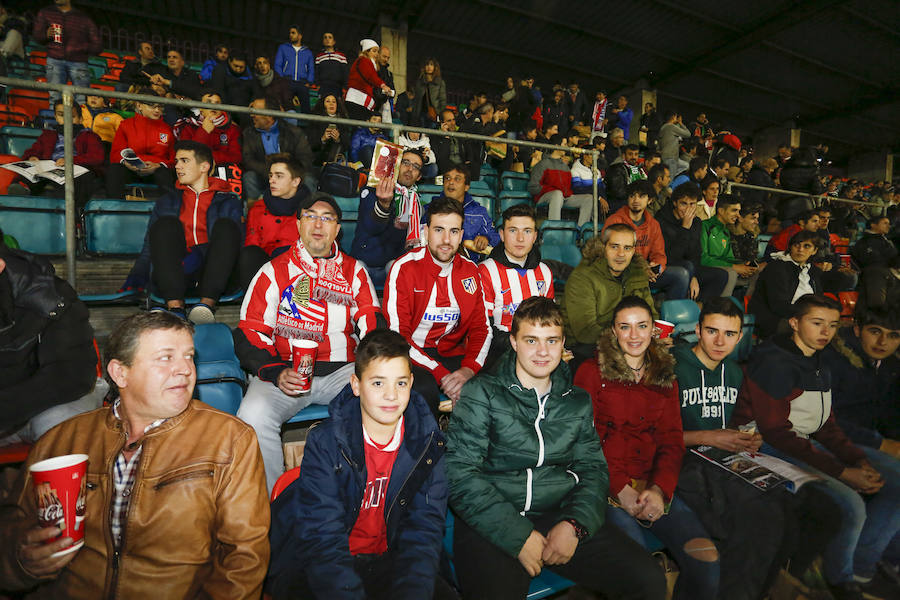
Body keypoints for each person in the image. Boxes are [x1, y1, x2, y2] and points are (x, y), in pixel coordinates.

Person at [0, 311, 270, 598]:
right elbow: (12, 531)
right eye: (166, 357)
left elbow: (243, 558)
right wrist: (22, 560)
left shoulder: (229, 439)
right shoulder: (63, 440)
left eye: (189, 356)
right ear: (120, 373)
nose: (185, 369)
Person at [445, 296, 666, 600]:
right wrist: (518, 536)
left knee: (648, 579)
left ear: (563, 343)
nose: (542, 351)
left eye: (551, 341)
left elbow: (593, 470)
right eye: (531, 340)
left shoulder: (576, 400)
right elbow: (460, 474)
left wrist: (575, 525)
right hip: (492, 517)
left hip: (558, 512)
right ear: (513, 342)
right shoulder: (481, 393)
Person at [732, 294, 900, 600]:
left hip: (802, 439)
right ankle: (842, 580)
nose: (826, 332)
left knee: (894, 476)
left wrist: (858, 459)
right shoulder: (774, 361)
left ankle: (871, 563)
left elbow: (825, 424)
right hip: (766, 445)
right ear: (795, 323)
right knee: (850, 503)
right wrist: (843, 472)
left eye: (833, 325)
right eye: (817, 323)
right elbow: (777, 434)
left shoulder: (819, 360)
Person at [672, 298, 841, 600]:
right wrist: (711, 437)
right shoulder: (672, 368)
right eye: (712, 331)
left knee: (815, 508)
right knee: (762, 518)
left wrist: (748, 438)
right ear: (698, 330)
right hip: (683, 463)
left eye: (730, 334)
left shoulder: (735, 373)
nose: (720, 341)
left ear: (740, 337)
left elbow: (736, 427)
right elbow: (653, 436)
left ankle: (768, 585)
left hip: (726, 460)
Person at [267, 329, 449, 599]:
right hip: (329, 564)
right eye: (378, 383)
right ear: (356, 385)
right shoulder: (325, 442)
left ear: (411, 383)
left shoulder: (429, 442)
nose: (391, 395)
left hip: (393, 558)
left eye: (400, 383)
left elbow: (424, 530)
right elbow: (322, 538)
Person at [235, 192, 380, 491]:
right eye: (311, 216)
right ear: (298, 223)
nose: (318, 224)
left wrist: (368, 373)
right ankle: (275, 503)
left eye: (327, 218)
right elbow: (250, 331)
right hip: (285, 372)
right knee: (251, 415)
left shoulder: (355, 271)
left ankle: (362, 494)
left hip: (343, 374)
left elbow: (372, 325)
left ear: (337, 229)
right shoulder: (272, 271)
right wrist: (274, 371)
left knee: (382, 400)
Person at [574, 295, 717, 600]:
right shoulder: (591, 372)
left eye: (642, 326)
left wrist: (659, 489)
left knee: (707, 562)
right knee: (641, 574)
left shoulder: (664, 374)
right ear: (614, 332)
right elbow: (583, 443)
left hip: (652, 483)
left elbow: (671, 440)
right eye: (625, 327)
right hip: (604, 487)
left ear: (654, 330)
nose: (634, 335)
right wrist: (619, 489)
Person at [383, 197, 492, 416]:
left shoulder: (470, 271)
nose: (445, 239)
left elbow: (482, 329)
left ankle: (466, 444)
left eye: (453, 232)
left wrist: (468, 369)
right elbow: (398, 337)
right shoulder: (404, 269)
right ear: (426, 232)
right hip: (410, 353)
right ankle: (428, 444)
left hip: (451, 353)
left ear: (461, 235)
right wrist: (441, 374)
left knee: (487, 387)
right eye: (439, 230)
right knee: (423, 389)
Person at [120, 140, 241, 323]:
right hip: (177, 272)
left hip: (214, 274)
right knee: (165, 225)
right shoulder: (167, 201)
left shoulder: (228, 201)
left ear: (204, 167)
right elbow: (150, 246)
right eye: (176, 161)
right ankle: (175, 307)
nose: (177, 166)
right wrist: (135, 280)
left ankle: (206, 306)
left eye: (184, 161)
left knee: (227, 227)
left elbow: (233, 245)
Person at [0, 241, 105, 447]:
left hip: (57, 400)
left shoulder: (49, 295)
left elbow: (70, 376)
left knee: (59, 425)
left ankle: (68, 480)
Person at [562, 223, 656, 368]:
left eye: (627, 248)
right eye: (614, 246)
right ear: (603, 247)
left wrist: (657, 333)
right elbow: (585, 332)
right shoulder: (582, 277)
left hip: (628, 340)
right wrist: (626, 340)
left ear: (633, 251)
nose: (621, 254)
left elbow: (650, 313)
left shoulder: (637, 273)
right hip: (586, 347)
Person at [478, 203, 554, 366]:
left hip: (540, 352)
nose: (520, 238)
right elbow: (484, 329)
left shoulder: (545, 272)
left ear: (534, 237)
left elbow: (551, 321)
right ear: (502, 235)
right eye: (513, 231)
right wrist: (523, 348)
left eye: (527, 231)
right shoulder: (486, 271)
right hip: (500, 354)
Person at [820, 305, 900, 456]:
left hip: (870, 437)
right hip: (833, 441)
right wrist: (880, 444)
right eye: (875, 331)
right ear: (857, 330)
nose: (883, 342)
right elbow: (820, 421)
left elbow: (889, 414)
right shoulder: (830, 361)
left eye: (893, 336)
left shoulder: (891, 364)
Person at [604, 179, 690, 299]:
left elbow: (659, 254)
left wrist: (656, 268)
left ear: (650, 200)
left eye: (642, 196)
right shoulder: (615, 221)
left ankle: (668, 315)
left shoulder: (653, 224)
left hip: (646, 272)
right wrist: (640, 269)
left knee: (681, 275)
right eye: (632, 196)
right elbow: (608, 254)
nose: (636, 200)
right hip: (621, 271)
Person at [350, 148, 423, 287]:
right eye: (405, 162)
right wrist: (383, 205)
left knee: (401, 269)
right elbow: (371, 227)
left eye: (416, 167)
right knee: (357, 267)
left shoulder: (416, 202)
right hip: (364, 261)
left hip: (392, 265)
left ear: (419, 176)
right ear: (396, 165)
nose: (409, 169)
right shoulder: (373, 189)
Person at [239, 153, 308, 289]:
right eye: (271, 175)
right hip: (264, 272)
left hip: (298, 275)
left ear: (295, 181)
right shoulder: (258, 208)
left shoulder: (311, 210)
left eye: (279, 176)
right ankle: (257, 304)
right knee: (249, 253)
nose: (272, 180)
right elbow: (252, 246)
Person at [17, 100, 103, 209]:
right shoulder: (48, 135)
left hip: (75, 169)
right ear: (56, 117)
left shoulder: (89, 136)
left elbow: (96, 157)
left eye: (72, 116)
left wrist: (71, 160)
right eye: (61, 115)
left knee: (84, 176)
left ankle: (74, 210)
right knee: (32, 171)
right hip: (50, 168)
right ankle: (24, 189)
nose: (66, 120)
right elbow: (33, 150)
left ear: (80, 119)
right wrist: (33, 157)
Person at [657, 182, 730, 300]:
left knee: (721, 275)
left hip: (689, 267)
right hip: (668, 266)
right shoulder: (661, 220)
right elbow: (670, 257)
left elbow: (695, 254)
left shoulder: (696, 222)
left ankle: (699, 309)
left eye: (692, 204)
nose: (688, 209)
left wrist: (693, 276)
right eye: (683, 204)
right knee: (687, 266)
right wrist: (685, 229)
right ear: (675, 203)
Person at [749, 230, 824, 338]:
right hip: (775, 320)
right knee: (812, 330)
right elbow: (779, 306)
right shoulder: (777, 268)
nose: (800, 249)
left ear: (814, 250)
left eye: (806, 246)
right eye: (796, 245)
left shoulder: (812, 271)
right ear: (790, 247)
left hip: (804, 317)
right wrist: (809, 314)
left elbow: (819, 298)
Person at [105, 88, 176, 199]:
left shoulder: (167, 129)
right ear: (139, 106)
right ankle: (112, 209)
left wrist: (159, 165)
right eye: (152, 106)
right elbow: (115, 153)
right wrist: (126, 163)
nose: (157, 110)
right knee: (115, 170)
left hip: (156, 170)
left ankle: (169, 210)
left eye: (159, 106)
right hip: (131, 169)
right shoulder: (126, 125)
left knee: (165, 173)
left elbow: (173, 158)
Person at [242, 97, 313, 201]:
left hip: (290, 175)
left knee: (308, 179)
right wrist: (272, 173)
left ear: (269, 115)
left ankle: (306, 211)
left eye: (255, 111)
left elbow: (305, 158)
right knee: (249, 177)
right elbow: (248, 160)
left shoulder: (293, 132)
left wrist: (287, 173)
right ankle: (254, 212)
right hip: (264, 174)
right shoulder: (248, 133)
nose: (252, 115)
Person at [33, 0, 100, 107]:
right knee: (55, 98)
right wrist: (45, 35)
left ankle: (80, 123)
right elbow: (37, 35)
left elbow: (97, 45)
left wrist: (80, 48)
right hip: (55, 59)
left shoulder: (83, 17)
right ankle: (56, 124)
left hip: (78, 62)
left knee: (81, 99)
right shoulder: (46, 12)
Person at [435, 163, 500, 262]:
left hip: (470, 267)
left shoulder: (479, 213)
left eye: (457, 179)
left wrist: (486, 239)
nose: (451, 182)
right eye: (447, 178)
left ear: (466, 186)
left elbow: (495, 238)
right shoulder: (432, 209)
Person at [528, 134, 593, 226]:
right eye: (565, 144)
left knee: (588, 198)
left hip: (564, 198)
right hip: (544, 198)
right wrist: (553, 190)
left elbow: (568, 189)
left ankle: (580, 231)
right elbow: (532, 188)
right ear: (557, 146)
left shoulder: (565, 167)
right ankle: (555, 229)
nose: (567, 147)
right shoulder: (542, 164)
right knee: (557, 194)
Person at [700, 194, 758, 297]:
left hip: (723, 269)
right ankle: (723, 308)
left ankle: (746, 308)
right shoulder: (704, 226)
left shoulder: (726, 231)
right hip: (705, 270)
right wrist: (734, 267)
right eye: (734, 210)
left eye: (739, 211)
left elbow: (729, 258)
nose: (738, 215)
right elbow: (703, 258)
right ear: (721, 211)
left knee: (756, 274)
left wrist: (743, 265)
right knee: (731, 273)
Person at [176, 92, 242, 169]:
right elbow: (187, 156)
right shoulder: (189, 128)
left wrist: (209, 157)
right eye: (208, 103)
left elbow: (236, 158)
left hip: (225, 173)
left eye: (217, 103)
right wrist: (204, 131)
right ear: (200, 108)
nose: (213, 106)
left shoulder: (232, 129)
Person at [345, 39, 391, 122]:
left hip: (360, 100)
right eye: (374, 51)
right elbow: (370, 76)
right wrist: (382, 85)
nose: (376, 54)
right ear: (367, 51)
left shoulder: (368, 63)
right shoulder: (363, 61)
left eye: (377, 51)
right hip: (357, 99)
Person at [274, 25, 314, 113]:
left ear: (300, 36)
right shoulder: (283, 48)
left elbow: (311, 68)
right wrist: (281, 79)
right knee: (286, 105)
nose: (290, 35)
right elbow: (277, 64)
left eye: (293, 33)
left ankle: (306, 125)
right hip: (287, 81)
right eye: (290, 33)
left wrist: (309, 82)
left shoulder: (308, 52)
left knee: (306, 108)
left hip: (302, 82)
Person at [307, 93, 350, 165]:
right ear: (323, 104)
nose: (331, 104)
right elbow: (310, 144)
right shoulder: (315, 120)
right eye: (328, 101)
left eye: (334, 102)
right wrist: (323, 139)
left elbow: (346, 145)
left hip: (336, 159)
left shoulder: (343, 121)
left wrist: (338, 140)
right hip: (318, 159)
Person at [604, 143, 646, 214]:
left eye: (636, 154)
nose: (633, 157)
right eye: (630, 154)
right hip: (619, 203)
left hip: (634, 200)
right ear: (624, 156)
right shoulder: (616, 169)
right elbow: (618, 192)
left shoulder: (639, 170)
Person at [412, 57, 446, 127]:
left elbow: (443, 100)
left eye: (431, 64)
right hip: (420, 114)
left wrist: (437, 112)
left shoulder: (439, 82)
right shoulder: (420, 82)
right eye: (427, 64)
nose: (429, 67)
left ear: (435, 67)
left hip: (433, 115)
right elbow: (416, 99)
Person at [314, 32, 348, 100]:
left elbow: (345, 72)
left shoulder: (341, 56)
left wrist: (345, 87)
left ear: (334, 42)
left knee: (337, 106)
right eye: (325, 37)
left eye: (330, 37)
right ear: (323, 41)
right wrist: (317, 85)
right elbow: (316, 72)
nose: (327, 39)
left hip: (337, 86)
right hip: (323, 86)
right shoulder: (319, 57)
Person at [658, 110, 691, 176]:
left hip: (665, 156)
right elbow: (688, 134)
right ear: (673, 117)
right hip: (671, 157)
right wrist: (680, 123)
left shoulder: (663, 127)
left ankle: (673, 176)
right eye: (676, 117)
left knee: (686, 166)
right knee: (670, 178)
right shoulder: (671, 127)